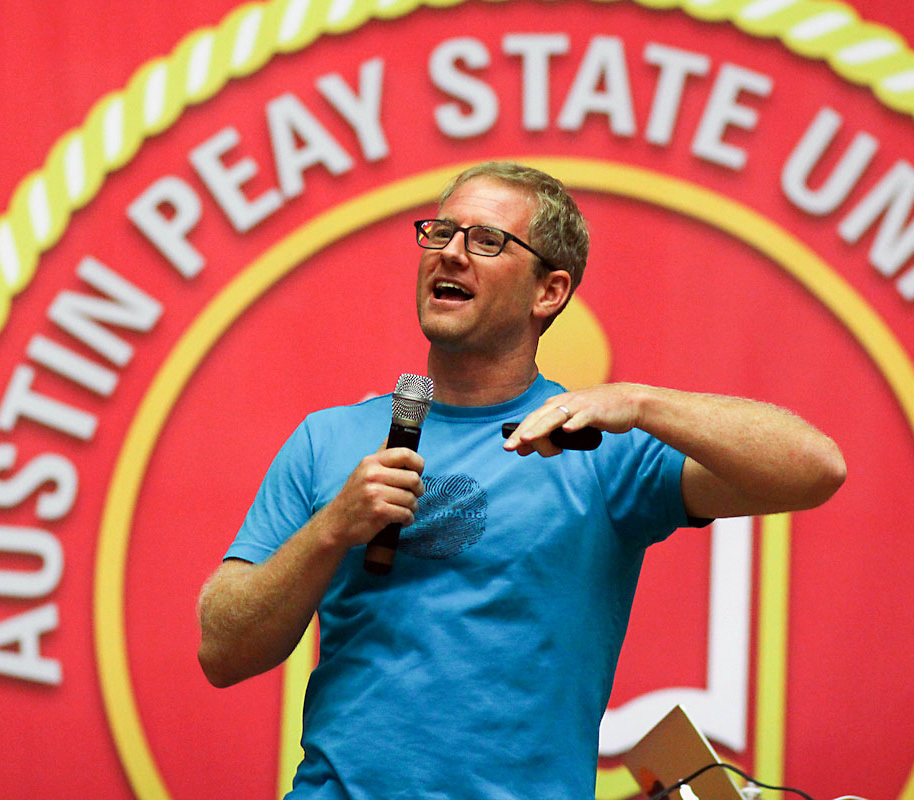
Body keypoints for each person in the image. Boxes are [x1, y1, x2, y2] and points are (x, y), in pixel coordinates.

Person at [197, 162, 845, 799]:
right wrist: (332, 529)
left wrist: (641, 403)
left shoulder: (597, 443)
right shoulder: (327, 439)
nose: (450, 253)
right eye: (440, 232)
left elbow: (816, 470)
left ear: (549, 292)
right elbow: (222, 652)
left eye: (486, 240)